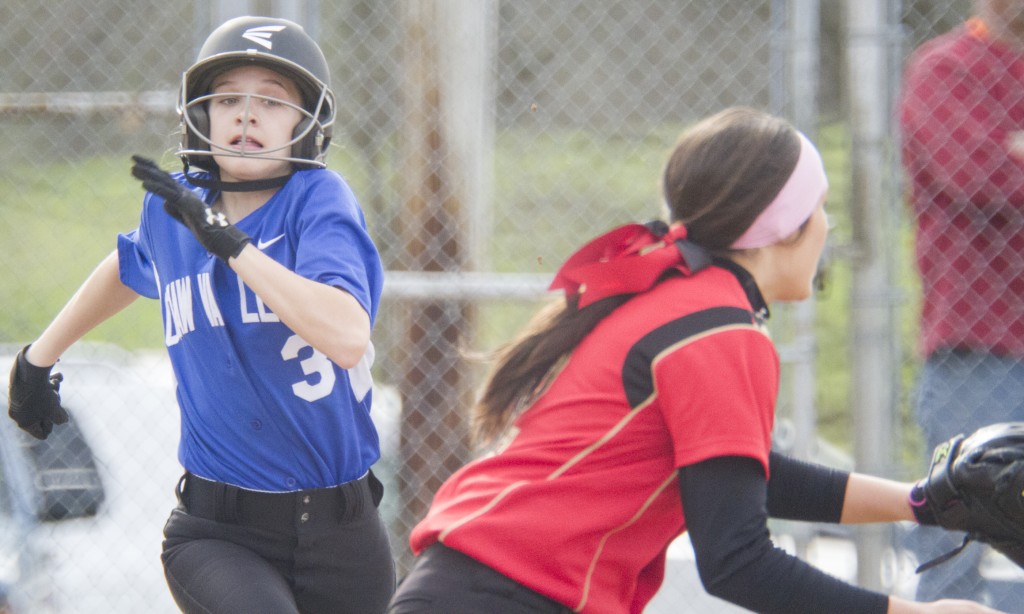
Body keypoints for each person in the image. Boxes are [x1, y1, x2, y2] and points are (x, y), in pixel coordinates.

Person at [384, 107, 1003, 614]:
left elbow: (741, 475)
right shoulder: (717, 331)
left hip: (486, 586)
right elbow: (737, 561)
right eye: (818, 208)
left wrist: (918, 502)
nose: (826, 227)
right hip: (505, 594)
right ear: (782, 228)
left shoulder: (683, 300)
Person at [6, 16, 395, 614]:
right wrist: (39, 356)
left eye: (271, 100)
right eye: (227, 99)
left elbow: (345, 335)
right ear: (200, 115)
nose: (245, 114)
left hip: (343, 532)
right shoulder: (177, 207)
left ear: (305, 124)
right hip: (218, 532)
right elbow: (129, 263)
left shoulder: (317, 201)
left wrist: (231, 245)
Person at [900, 1, 1024, 609]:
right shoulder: (945, 68)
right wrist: (1003, 156)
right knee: (954, 534)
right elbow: (974, 172)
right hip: (980, 340)